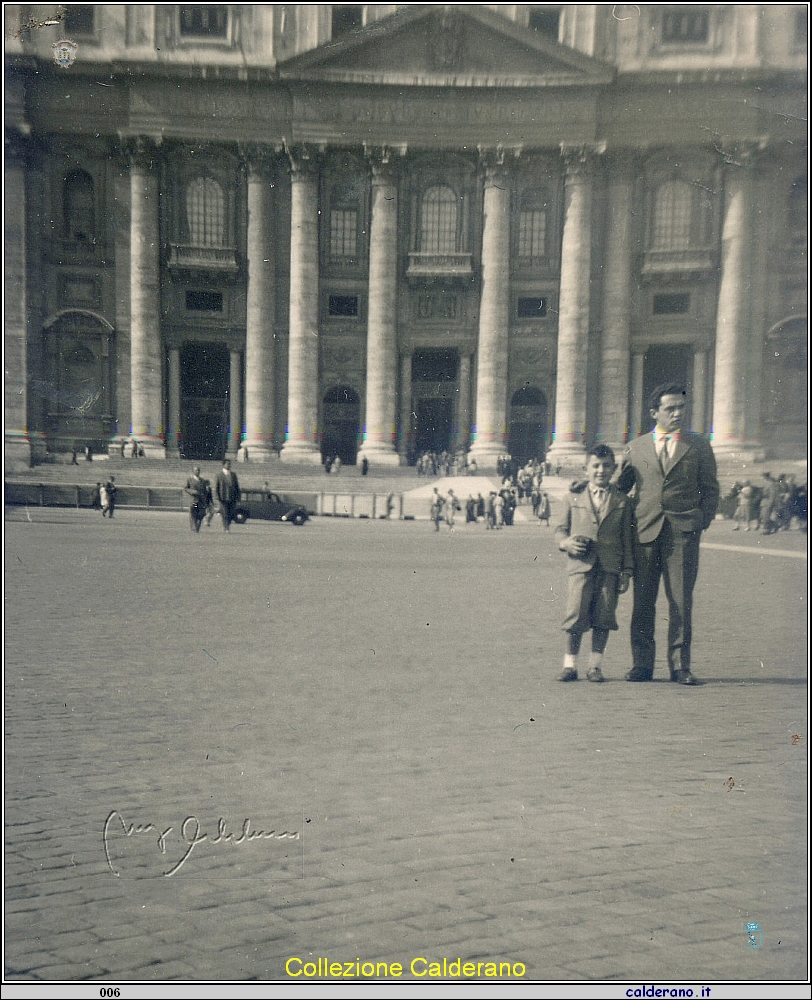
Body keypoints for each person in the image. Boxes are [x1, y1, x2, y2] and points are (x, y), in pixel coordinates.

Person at [616, 382, 719, 685]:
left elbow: (711, 490)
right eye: (670, 408)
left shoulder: (699, 445)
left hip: (683, 535)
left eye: (681, 407)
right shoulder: (635, 447)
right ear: (654, 412)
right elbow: (621, 490)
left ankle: (680, 666)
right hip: (644, 532)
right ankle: (642, 665)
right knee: (643, 602)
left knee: (680, 602)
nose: (677, 413)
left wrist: (700, 522)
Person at [555, 444, 634, 682]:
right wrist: (565, 543)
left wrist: (627, 571)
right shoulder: (572, 497)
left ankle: (594, 666)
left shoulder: (622, 501)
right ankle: (570, 665)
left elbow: (627, 540)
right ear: (585, 469)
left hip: (610, 567)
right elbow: (559, 530)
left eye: (606, 466)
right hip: (580, 565)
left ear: (614, 469)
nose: (601, 471)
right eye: (595, 466)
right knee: (575, 614)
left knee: (604, 616)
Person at [215, 458, 240, 532]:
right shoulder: (219, 475)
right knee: (224, 513)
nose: (229, 465)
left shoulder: (233, 475)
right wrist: (217, 496)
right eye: (227, 464)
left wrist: (238, 496)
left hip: (232, 497)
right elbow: (217, 486)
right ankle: (226, 527)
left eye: (230, 464)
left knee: (231, 513)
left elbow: (237, 486)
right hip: (223, 497)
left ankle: (227, 525)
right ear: (223, 465)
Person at [185, 466, 207, 532]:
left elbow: (205, 490)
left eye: (198, 470)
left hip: (201, 501)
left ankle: (198, 524)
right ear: (193, 471)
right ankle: (195, 526)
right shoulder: (190, 480)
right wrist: (192, 491)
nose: (197, 472)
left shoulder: (202, 480)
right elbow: (186, 488)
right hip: (194, 500)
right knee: (194, 512)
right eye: (196, 470)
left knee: (202, 513)